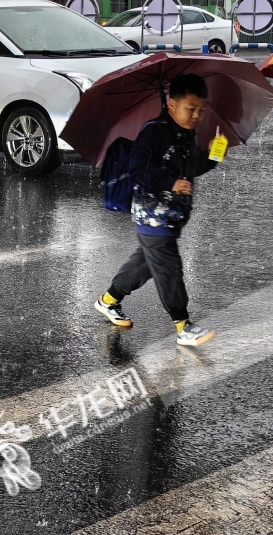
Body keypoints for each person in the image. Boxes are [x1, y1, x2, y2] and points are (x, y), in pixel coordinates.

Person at [95, 73, 222, 347]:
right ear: (171, 102)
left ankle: (108, 300)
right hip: (151, 215)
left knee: (145, 265)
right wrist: (170, 182)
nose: (196, 115)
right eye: (191, 109)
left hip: (171, 216)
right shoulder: (154, 131)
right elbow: (137, 168)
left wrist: (212, 156)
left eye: (201, 110)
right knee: (168, 268)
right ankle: (183, 326)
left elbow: (191, 170)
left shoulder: (188, 134)